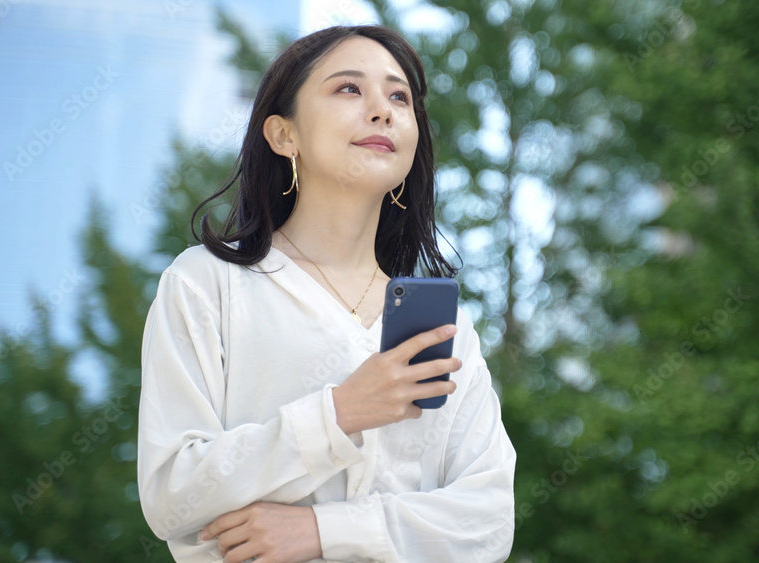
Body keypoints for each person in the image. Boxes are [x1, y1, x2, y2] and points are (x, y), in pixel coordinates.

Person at [136, 24, 516, 563]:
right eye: (348, 89)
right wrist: (337, 415)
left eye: (399, 96)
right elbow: (172, 493)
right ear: (282, 134)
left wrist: (325, 530)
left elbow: (490, 522)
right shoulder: (206, 284)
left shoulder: (450, 332)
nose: (382, 110)